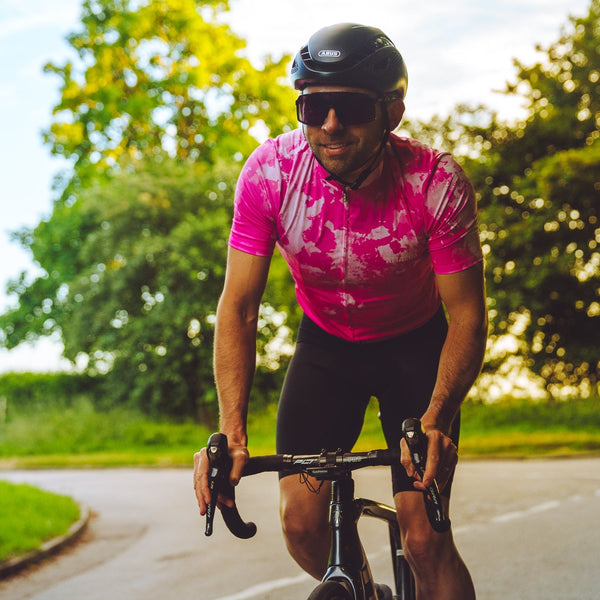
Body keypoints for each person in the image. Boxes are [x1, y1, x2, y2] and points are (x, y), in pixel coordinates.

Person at [194, 23, 487, 600]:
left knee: (425, 539)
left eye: (349, 108)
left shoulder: (435, 182)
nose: (329, 124)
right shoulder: (270, 174)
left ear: (392, 112)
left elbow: (468, 318)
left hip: (415, 347)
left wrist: (435, 418)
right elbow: (240, 306)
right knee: (301, 526)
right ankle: (365, 591)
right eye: (314, 106)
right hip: (327, 347)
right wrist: (231, 430)